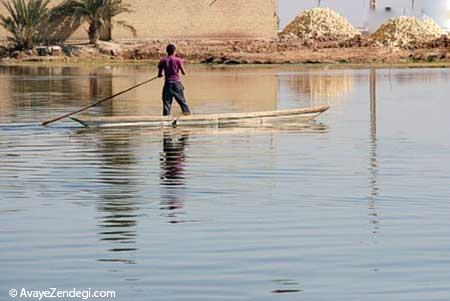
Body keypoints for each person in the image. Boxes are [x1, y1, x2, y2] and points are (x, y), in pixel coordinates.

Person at [157, 44, 191, 116]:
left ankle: (166, 119)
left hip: (167, 84)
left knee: (167, 103)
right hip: (176, 83)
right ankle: (187, 116)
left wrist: (160, 75)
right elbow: (183, 72)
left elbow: (159, 74)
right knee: (182, 102)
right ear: (174, 51)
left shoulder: (163, 60)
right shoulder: (178, 60)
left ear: (167, 51)